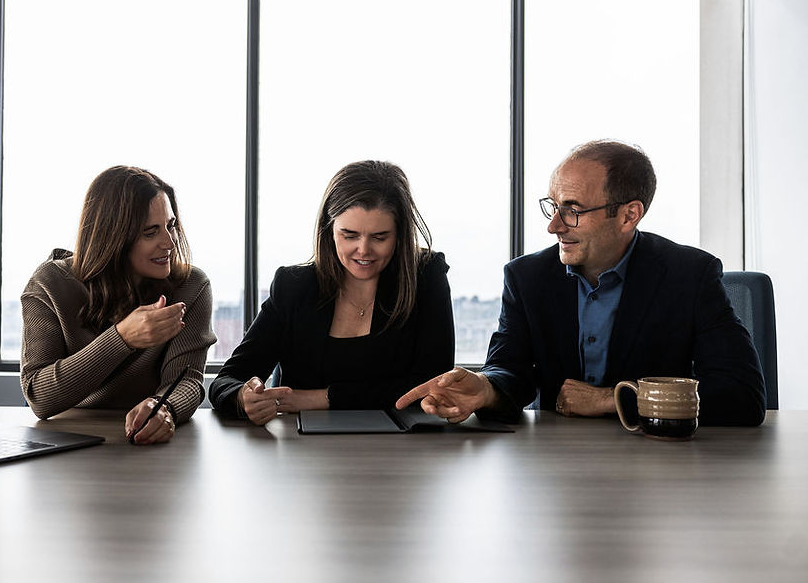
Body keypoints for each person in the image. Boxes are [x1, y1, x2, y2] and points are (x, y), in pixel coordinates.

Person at [398, 140, 766, 426]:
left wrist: (614, 399)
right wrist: (486, 389)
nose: (554, 225)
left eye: (572, 210)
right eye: (553, 206)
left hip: (661, 469)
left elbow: (742, 396)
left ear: (628, 215)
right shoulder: (527, 277)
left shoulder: (690, 274)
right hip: (558, 465)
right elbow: (510, 371)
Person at [209, 160, 454, 424]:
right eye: (349, 235)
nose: (363, 250)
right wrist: (244, 397)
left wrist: (320, 398)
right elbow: (226, 381)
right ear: (330, 230)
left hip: (403, 451)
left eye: (380, 237)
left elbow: (433, 385)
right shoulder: (293, 286)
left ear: (400, 234)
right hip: (304, 451)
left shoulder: (426, 276)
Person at [20, 165, 216, 444]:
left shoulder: (192, 286)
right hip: (69, 441)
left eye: (171, 226)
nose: (170, 242)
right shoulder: (50, 284)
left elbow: (187, 380)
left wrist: (164, 409)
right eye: (151, 232)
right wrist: (122, 338)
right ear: (112, 238)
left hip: (147, 444)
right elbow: (39, 398)